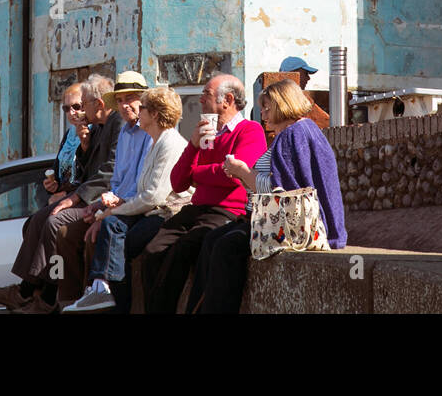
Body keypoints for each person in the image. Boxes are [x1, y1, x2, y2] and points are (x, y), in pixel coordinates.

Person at [191, 79, 347, 313]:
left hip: (296, 227)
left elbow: (281, 191)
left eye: (266, 107)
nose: (262, 113)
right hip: (311, 224)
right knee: (214, 239)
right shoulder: (306, 130)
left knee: (225, 245)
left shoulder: (291, 135)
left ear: (282, 104)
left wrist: (242, 171)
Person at [0, 73, 121, 313]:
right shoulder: (95, 127)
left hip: (103, 199)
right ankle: (28, 292)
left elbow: (109, 171)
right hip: (85, 195)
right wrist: (64, 184)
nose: (74, 113)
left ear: (97, 104)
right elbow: (84, 170)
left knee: (54, 223)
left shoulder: (115, 124)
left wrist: (72, 197)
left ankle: (41, 296)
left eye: (80, 105)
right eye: (67, 108)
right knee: (36, 221)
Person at [139, 73, 266, 314]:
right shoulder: (205, 133)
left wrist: (197, 172)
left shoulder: (250, 130)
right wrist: (193, 145)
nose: (200, 100)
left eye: (206, 94)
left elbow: (233, 175)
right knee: (153, 250)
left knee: (182, 251)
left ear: (227, 100)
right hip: (195, 209)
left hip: (226, 210)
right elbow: (177, 182)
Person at [62, 86, 189, 313]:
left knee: (118, 241)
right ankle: (102, 291)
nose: (139, 111)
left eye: (144, 108)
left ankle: (106, 294)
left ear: (155, 115)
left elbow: (153, 197)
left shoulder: (169, 143)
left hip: (167, 213)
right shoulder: (156, 141)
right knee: (113, 232)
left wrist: (114, 211)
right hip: (149, 210)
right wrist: (112, 206)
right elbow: (140, 189)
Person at [50, 71, 152, 311]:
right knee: (59, 228)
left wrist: (102, 209)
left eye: (131, 99)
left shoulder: (143, 130)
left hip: (141, 207)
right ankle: (62, 296)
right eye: (121, 100)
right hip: (111, 201)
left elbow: (141, 188)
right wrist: (99, 206)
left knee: (76, 229)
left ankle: (97, 294)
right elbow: (115, 178)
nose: (125, 105)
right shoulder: (124, 130)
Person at [44, 82, 87, 200]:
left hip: (81, 197)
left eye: (77, 107)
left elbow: (91, 174)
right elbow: (58, 170)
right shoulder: (69, 135)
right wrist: (52, 185)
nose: (71, 112)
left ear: (87, 105)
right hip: (64, 196)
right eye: (66, 108)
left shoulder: (94, 130)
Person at [279, 56, 331, 128]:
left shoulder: (276, 97)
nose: (308, 78)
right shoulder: (300, 99)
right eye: (305, 74)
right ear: (294, 74)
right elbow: (326, 122)